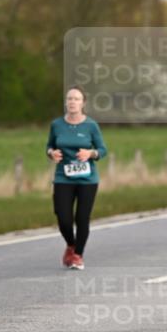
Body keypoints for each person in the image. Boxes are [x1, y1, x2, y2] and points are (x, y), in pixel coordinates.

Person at [47, 86, 107, 270]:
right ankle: (71, 245)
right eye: (69, 98)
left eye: (76, 99)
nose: (72, 102)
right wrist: (51, 153)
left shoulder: (91, 126)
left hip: (87, 179)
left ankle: (77, 255)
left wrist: (90, 153)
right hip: (63, 177)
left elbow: (103, 151)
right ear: (66, 102)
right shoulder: (57, 125)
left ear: (83, 103)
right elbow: (49, 146)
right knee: (63, 217)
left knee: (82, 218)